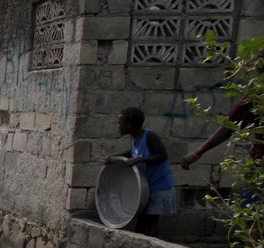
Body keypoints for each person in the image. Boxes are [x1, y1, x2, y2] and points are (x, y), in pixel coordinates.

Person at [105, 106, 176, 237]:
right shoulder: (134, 138)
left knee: (152, 220)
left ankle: (154, 247)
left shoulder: (149, 136)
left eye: (120, 123)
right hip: (145, 187)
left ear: (129, 125)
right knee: (142, 218)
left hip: (159, 185)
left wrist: (138, 160)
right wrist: (114, 158)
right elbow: (132, 153)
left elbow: (163, 155)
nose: (118, 126)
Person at [180, 94, 264, 169]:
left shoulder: (257, 92)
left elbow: (229, 126)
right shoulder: (257, 93)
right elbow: (230, 126)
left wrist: (198, 152)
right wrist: (197, 153)